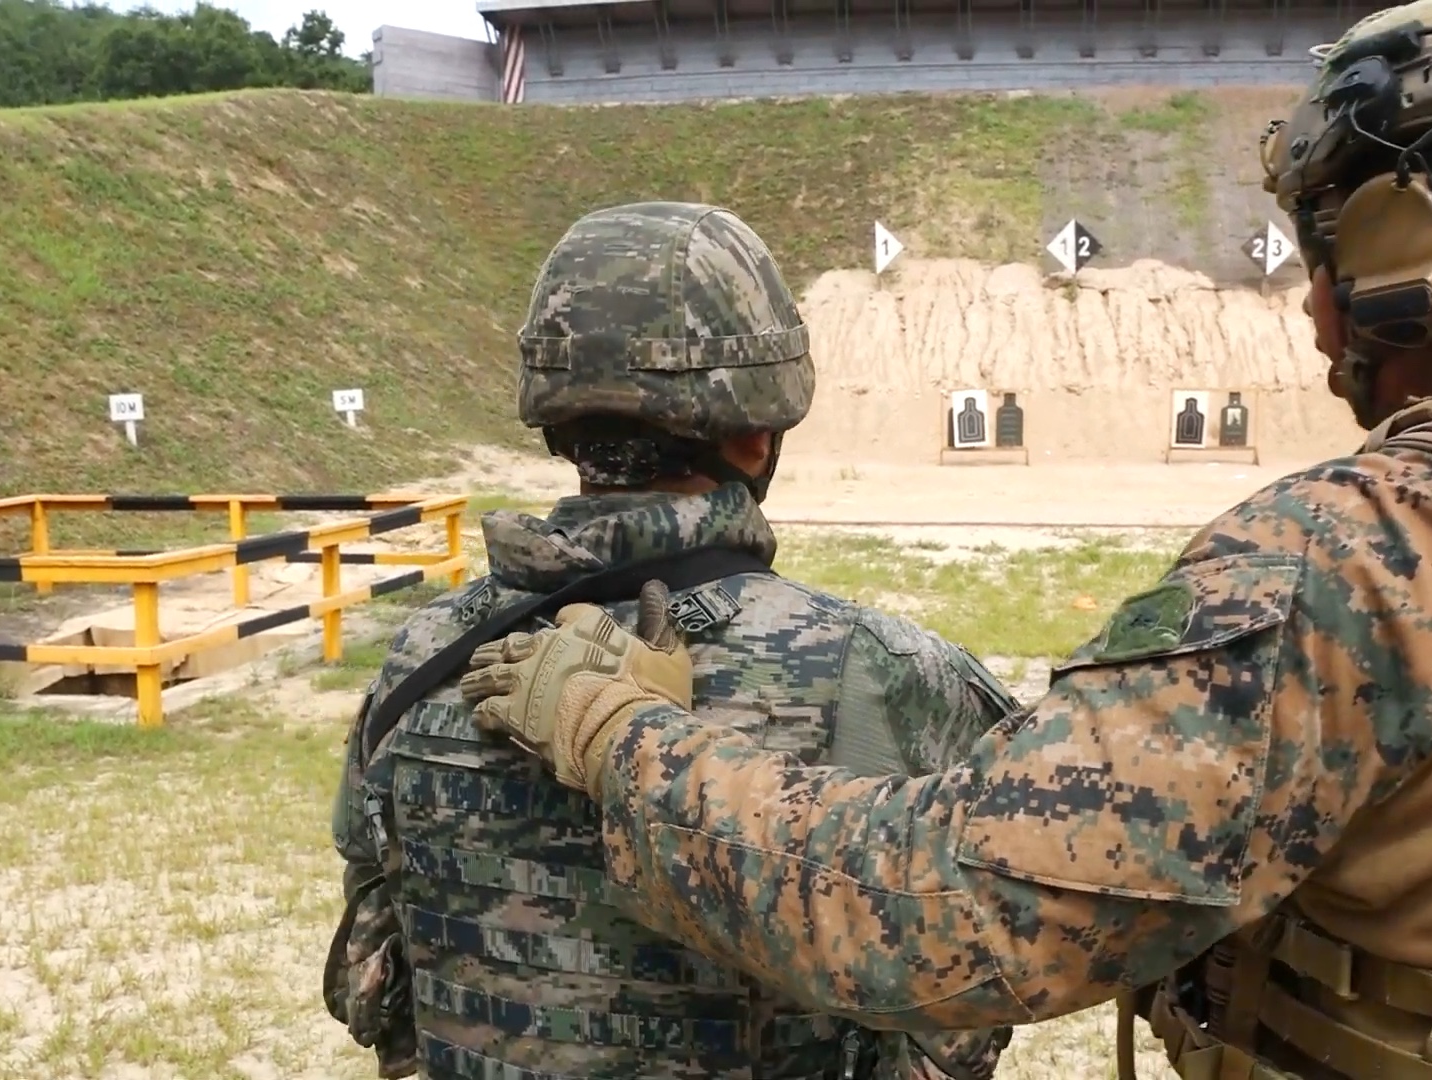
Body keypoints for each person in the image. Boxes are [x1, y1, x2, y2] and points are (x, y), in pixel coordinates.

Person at [455, 4, 1432, 1078]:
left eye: (1318, 250)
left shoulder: (1370, 553)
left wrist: (616, 732)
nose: (1311, 309)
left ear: (1400, 244)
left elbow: (942, 918)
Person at [321, 200, 1020, 1080]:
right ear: (761, 431)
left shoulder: (424, 656)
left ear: (557, 420)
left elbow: (371, 981)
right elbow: (991, 967)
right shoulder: (878, 671)